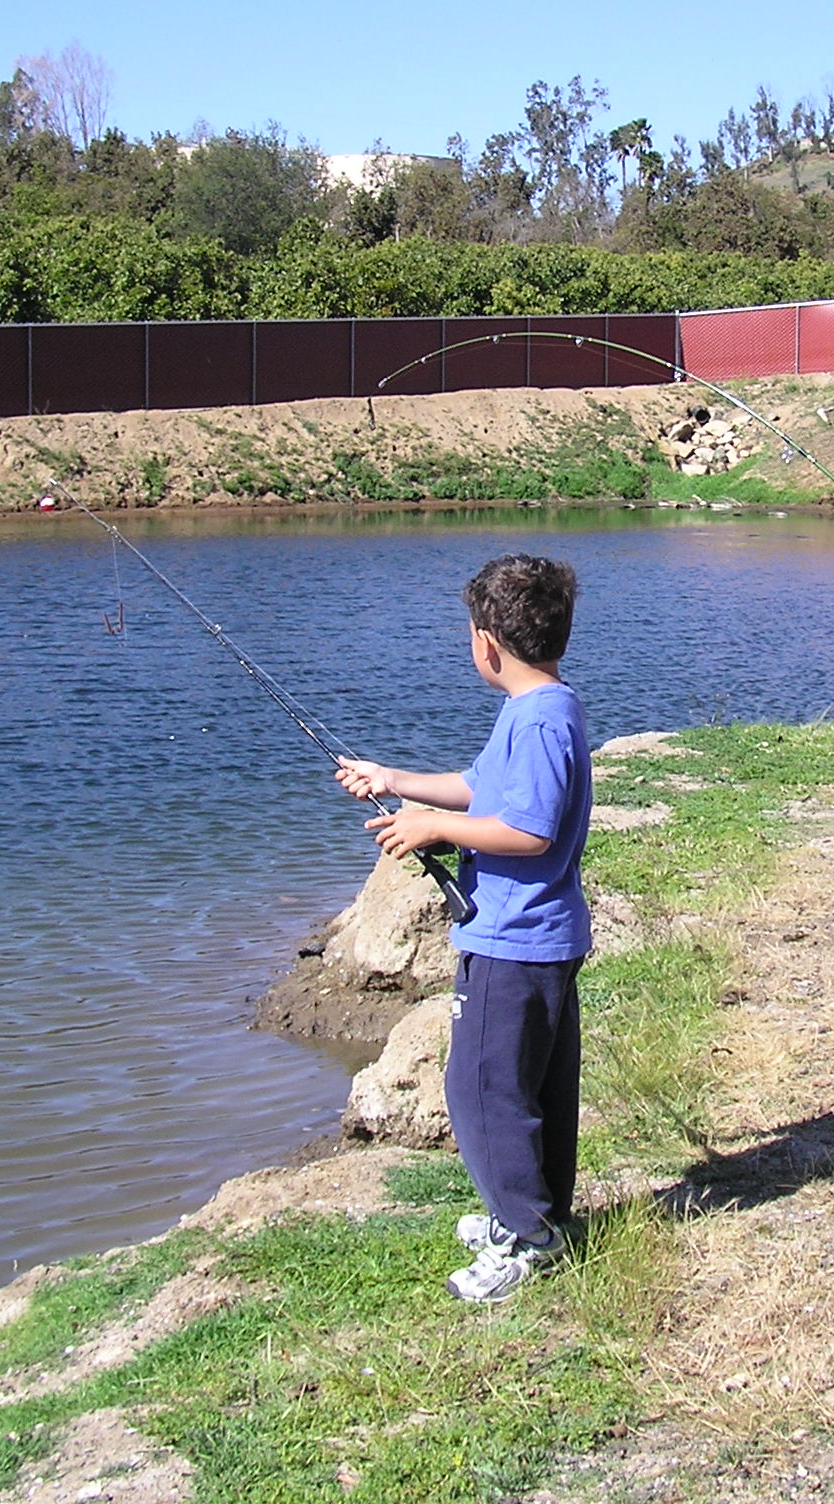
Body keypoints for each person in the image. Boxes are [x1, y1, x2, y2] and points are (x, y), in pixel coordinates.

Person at [333, 553, 594, 1301]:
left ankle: (525, 1235)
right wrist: (394, 781)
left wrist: (434, 828)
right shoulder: (542, 707)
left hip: (515, 940)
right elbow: (481, 788)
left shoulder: (539, 721)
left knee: (481, 1089)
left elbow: (529, 830)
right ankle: (538, 1215)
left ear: (486, 643)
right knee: (535, 1084)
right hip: (535, 936)